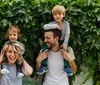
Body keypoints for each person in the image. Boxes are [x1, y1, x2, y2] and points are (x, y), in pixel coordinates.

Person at [37, 5, 73, 76]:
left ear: (63, 15)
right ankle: (44, 66)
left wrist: (65, 44)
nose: (57, 16)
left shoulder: (66, 23)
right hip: (53, 41)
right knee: (45, 49)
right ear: (53, 15)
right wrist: (55, 26)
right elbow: (45, 27)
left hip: (62, 41)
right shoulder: (52, 23)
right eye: (55, 14)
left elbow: (67, 34)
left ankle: (66, 67)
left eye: (59, 14)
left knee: (65, 51)